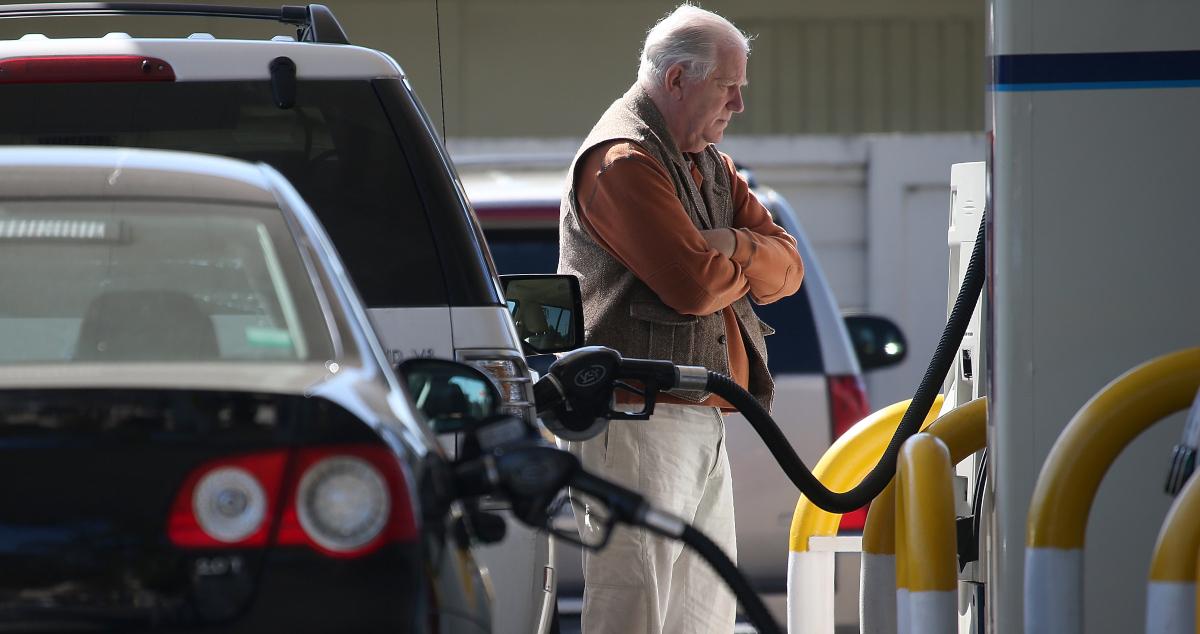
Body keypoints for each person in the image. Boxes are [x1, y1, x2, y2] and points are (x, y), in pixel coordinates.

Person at [557, 5, 805, 633]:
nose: (739, 105)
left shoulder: (708, 164)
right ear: (676, 79)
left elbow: (790, 272)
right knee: (636, 596)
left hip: (692, 411)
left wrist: (735, 246)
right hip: (636, 414)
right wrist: (737, 255)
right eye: (728, 86)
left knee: (704, 607)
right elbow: (693, 287)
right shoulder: (624, 160)